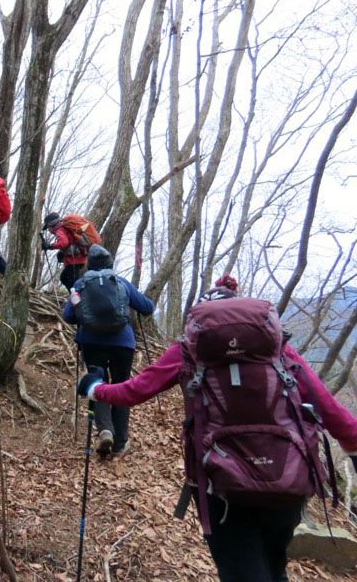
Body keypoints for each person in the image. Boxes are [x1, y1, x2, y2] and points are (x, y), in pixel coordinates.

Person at [77, 274, 357, 582]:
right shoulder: (277, 351)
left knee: (242, 571)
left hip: (219, 483)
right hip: (286, 481)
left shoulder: (189, 351)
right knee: (273, 566)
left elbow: (133, 392)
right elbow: (331, 410)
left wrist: (95, 388)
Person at [63, 245, 154, 456]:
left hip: (92, 342)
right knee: (121, 387)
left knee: (97, 383)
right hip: (123, 343)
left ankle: (105, 430)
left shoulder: (80, 284)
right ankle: (120, 443)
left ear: (89, 265)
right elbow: (147, 308)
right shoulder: (121, 282)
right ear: (110, 264)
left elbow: (68, 316)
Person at [41, 212, 102, 293]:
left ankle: (77, 299)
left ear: (51, 224)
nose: (48, 230)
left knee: (72, 282)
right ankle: (75, 297)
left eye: (48, 227)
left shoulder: (59, 230)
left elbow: (64, 243)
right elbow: (69, 242)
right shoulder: (65, 227)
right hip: (78, 258)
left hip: (74, 260)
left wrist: (50, 246)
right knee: (65, 278)